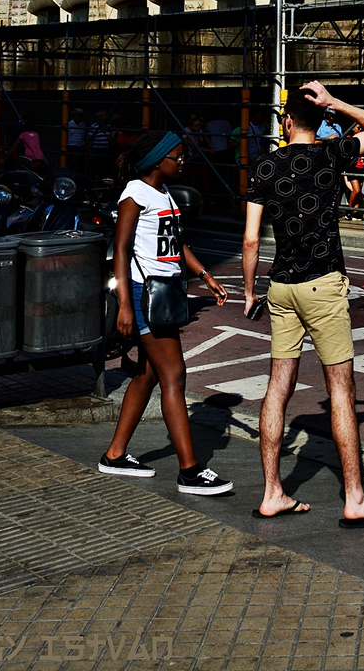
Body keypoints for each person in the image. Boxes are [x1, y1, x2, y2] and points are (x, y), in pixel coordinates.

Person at [242, 80, 364, 526]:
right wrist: (335, 103)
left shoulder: (265, 167)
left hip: (281, 287)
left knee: (278, 387)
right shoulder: (333, 154)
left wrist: (251, 291)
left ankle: (273, 492)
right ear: (320, 120)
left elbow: (251, 239)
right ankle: (355, 498)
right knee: (341, 392)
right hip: (324, 285)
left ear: (286, 121)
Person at [100, 131, 232, 493]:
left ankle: (114, 455)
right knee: (174, 374)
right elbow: (121, 251)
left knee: (147, 375)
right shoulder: (134, 193)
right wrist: (125, 306)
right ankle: (189, 470)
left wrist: (205, 275)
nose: (183, 161)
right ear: (158, 161)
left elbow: (177, 243)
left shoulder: (163, 193)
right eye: (177, 156)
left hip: (168, 292)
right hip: (146, 295)